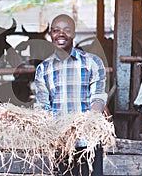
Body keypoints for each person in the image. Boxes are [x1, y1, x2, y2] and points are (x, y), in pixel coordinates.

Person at [34, 14, 107, 176]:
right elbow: (42, 106)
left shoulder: (92, 62)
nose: (61, 34)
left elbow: (98, 97)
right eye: (56, 30)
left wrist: (85, 124)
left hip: (89, 143)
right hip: (59, 144)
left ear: (73, 34)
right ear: (51, 35)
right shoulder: (43, 69)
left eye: (67, 30)